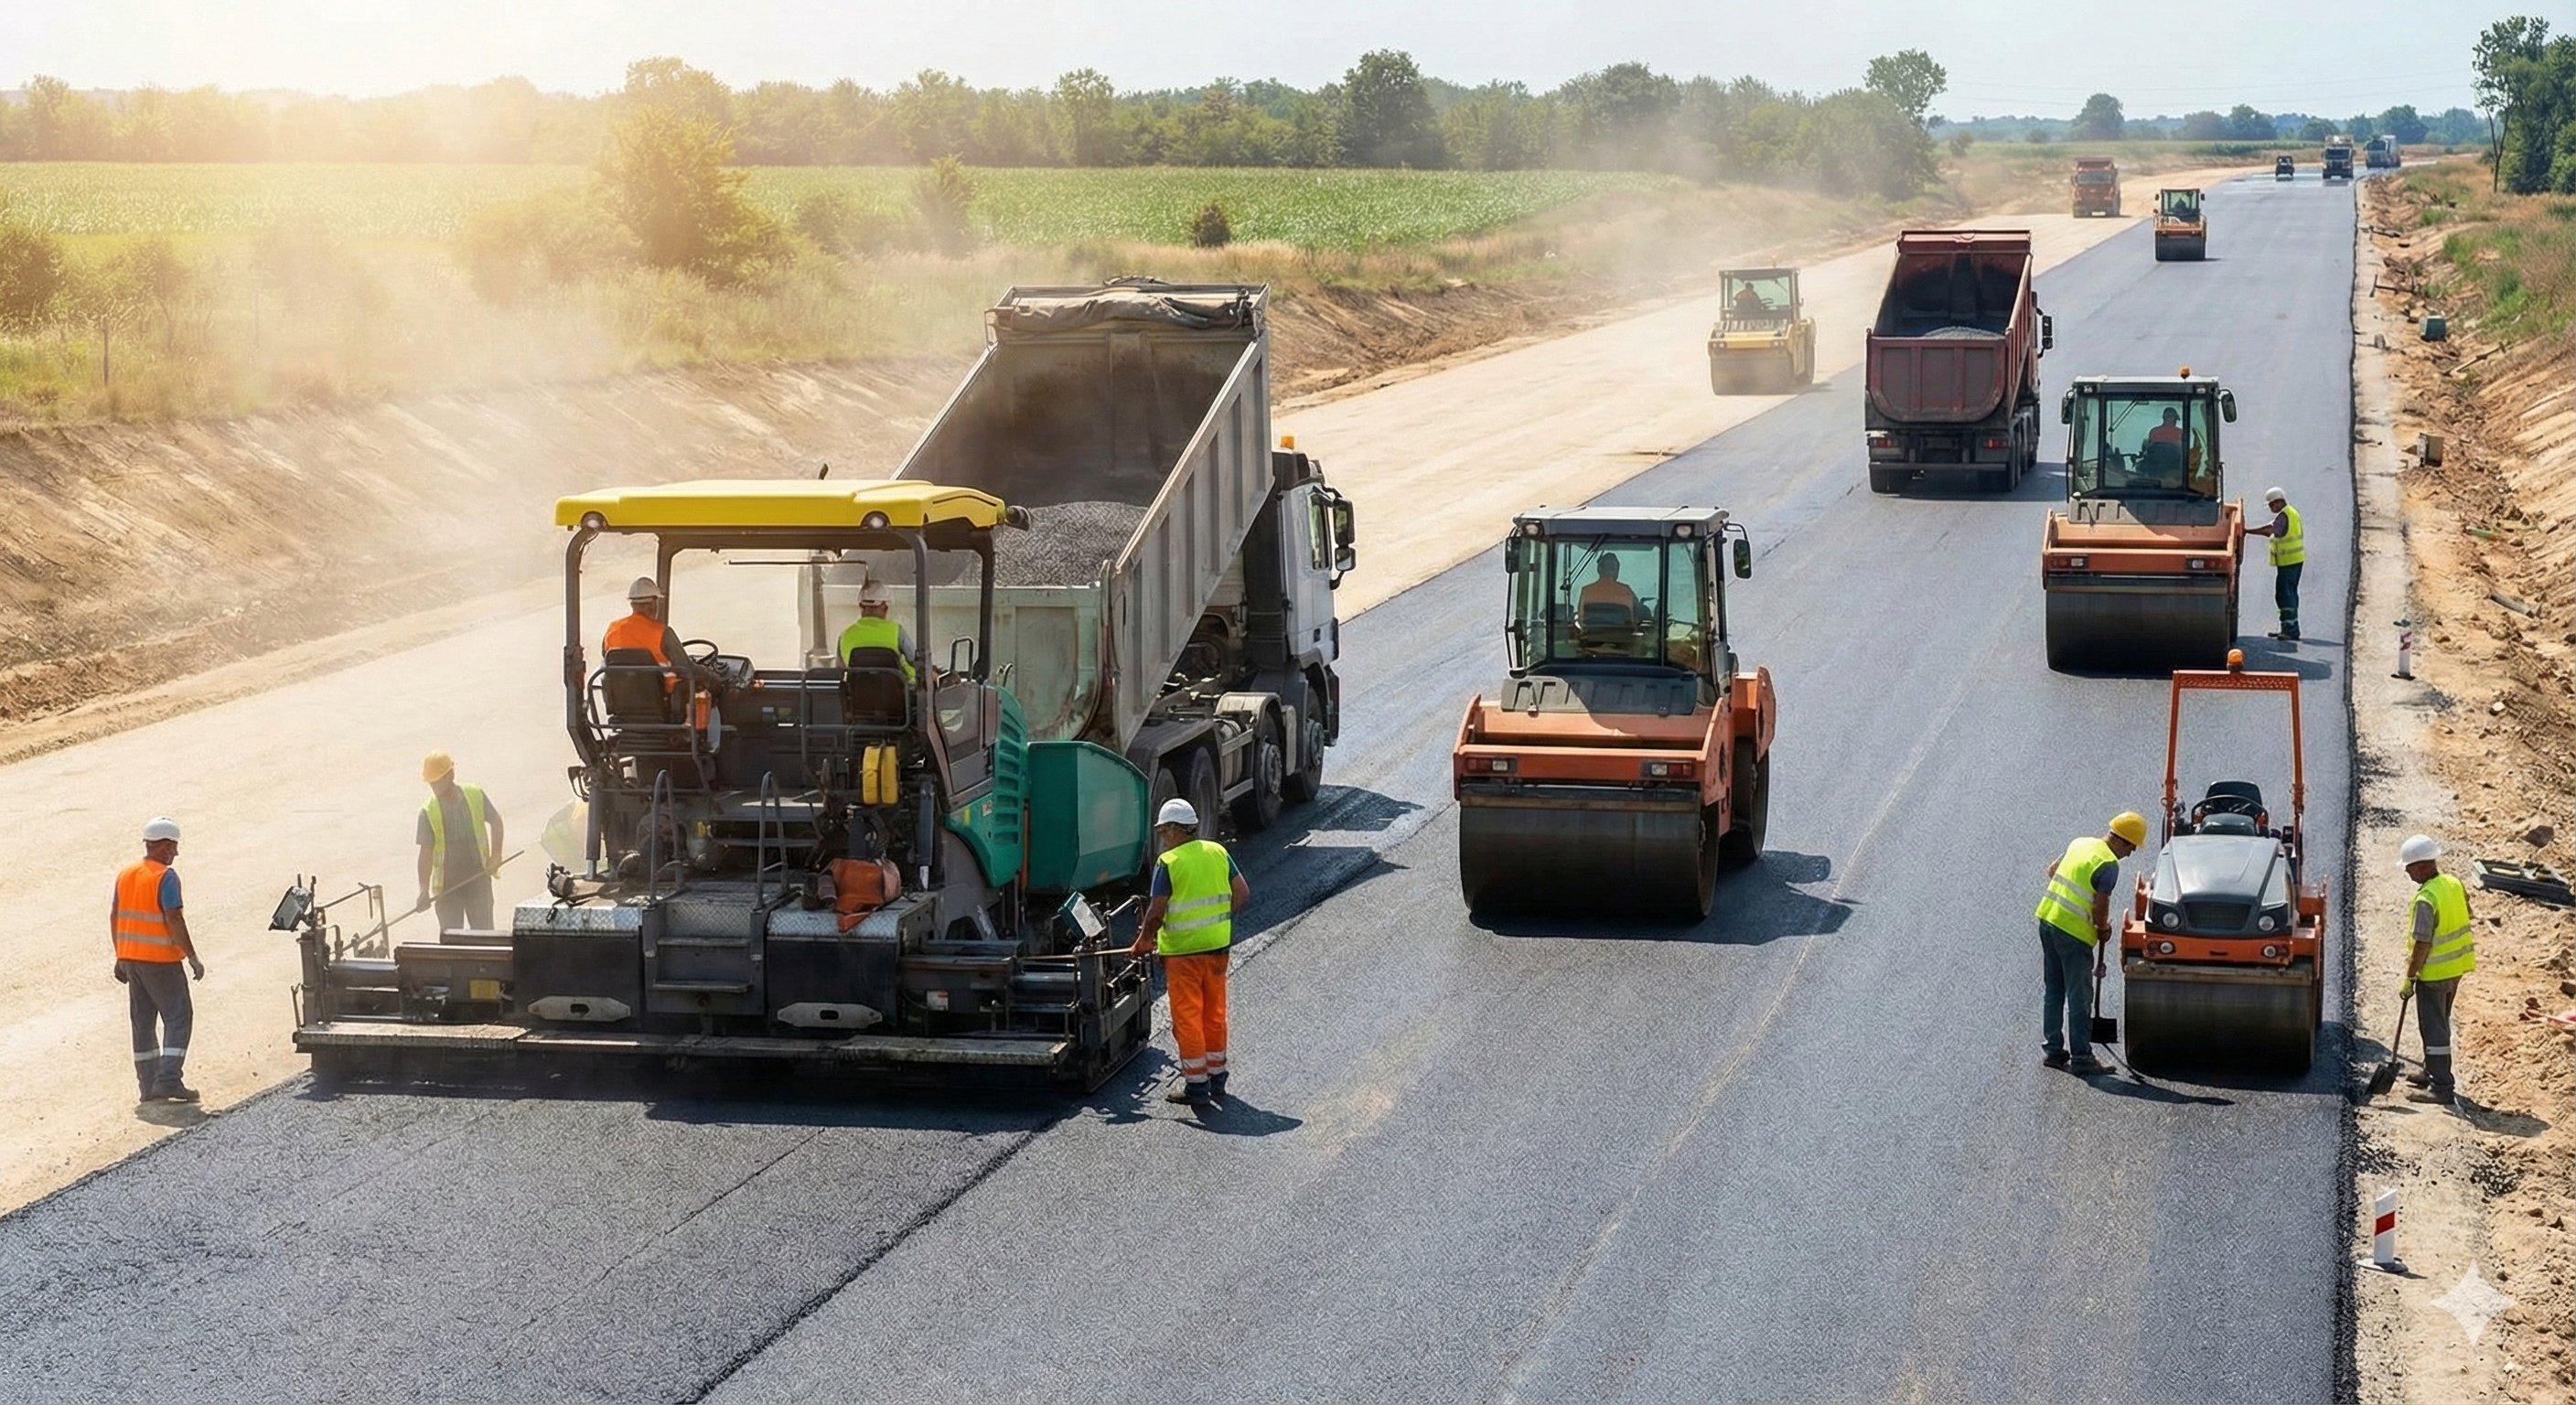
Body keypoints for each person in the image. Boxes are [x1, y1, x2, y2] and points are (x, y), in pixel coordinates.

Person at [1131, 798, 1250, 1108]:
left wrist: (1143, 941)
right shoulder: (1218, 852)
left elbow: (1156, 912)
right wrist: (1217, 921)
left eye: (1163, 831)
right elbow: (1242, 893)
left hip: (1184, 955)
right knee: (1214, 1014)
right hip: (1217, 949)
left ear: (1174, 829)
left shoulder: (1169, 862)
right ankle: (1217, 1077)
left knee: (1188, 1018)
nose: (1161, 837)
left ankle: (1197, 1086)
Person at [2035, 811, 2147, 1076]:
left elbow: (2053, 871)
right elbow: (2101, 904)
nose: (2131, 852)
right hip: (2073, 935)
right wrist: (2103, 928)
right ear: (2122, 840)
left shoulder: (2080, 843)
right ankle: (2082, 1058)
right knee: (2079, 996)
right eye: (2132, 846)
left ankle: (2053, 1051)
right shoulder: (2109, 864)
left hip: (2048, 920)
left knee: (2054, 990)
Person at [112, 816, 204, 1104]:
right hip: (161, 962)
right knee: (178, 1017)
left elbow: (115, 915)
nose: (175, 853)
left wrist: (120, 955)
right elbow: (173, 917)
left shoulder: (126, 873)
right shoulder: (165, 876)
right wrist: (192, 957)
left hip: (131, 961)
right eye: (174, 847)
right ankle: (169, 1080)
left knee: (143, 1023)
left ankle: (148, 1086)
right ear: (163, 846)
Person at [2398, 833, 2474, 1107]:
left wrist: (2410, 977)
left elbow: (2422, 944)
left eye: (2409, 867)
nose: (2407, 872)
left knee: (2434, 1029)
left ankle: (2441, 1088)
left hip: (2434, 974)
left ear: (2421, 866)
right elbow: (2468, 911)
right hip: (2456, 968)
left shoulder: (2426, 899)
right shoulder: (2452, 883)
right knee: (2439, 1022)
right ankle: (2431, 1071)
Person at [416, 751, 504, 931]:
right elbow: (425, 853)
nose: (434, 787)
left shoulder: (475, 795)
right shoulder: (428, 811)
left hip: (478, 880)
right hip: (447, 890)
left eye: (437, 781)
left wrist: (496, 855)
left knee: (484, 936)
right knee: (452, 940)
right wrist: (423, 889)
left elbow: (496, 821)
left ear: (450, 775)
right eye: (432, 783)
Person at [602, 575, 714, 701]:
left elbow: (607, 660)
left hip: (621, 701)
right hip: (662, 700)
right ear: (651, 605)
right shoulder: (661, 632)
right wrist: (712, 679)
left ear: (633, 604)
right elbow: (685, 668)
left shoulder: (613, 629)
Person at [2245, 486, 2303, 641]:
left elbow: (2269, 530)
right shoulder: (2290, 513)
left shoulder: (2285, 516)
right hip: (2294, 561)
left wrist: (2246, 531)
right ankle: (2288, 628)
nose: (2271, 508)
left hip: (2289, 563)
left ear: (2278, 502)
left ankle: (2290, 630)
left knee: (2285, 595)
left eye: (2271, 504)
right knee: (2288, 594)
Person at [836, 579, 918, 683]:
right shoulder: (896, 630)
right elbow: (914, 660)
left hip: (858, 692)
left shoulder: (845, 635)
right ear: (884, 607)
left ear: (861, 607)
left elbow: (839, 672)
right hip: (896, 691)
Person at [1575, 556, 1640, 620]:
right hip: (1622, 627)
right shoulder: (1626, 591)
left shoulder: (1586, 591)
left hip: (1592, 627)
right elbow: (1637, 615)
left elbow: (1581, 618)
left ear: (1599, 569)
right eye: (1614, 569)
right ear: (1616, 570)